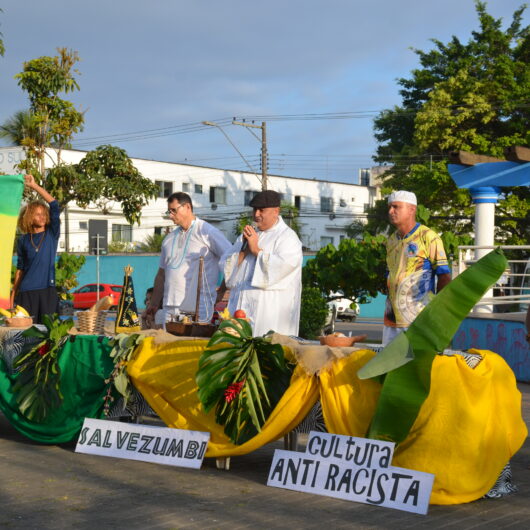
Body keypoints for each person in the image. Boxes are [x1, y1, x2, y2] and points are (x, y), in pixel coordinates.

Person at [222, 189, 303, 336]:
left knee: (263, 350)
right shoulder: (248, 234)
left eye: (261, 210)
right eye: (254, 210)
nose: (256, 214)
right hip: (239, 309)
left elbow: (282, 267)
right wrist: (244, 250)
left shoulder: (288, 238)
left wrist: (256, 250)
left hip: (268, 313)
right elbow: (226, 267)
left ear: (276, 211)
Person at [146, 192, 231, 327]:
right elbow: (162, 274)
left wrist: (222, 290)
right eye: (169, 211)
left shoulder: (207, 232)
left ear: (187, 207)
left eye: (174, 210)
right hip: (170, 306)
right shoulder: (169, 239)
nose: (170, 215)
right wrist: (154, 303)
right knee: (167, 346)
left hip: (199, 306)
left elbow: (231, 260)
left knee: (191, 345)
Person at [383, 190, 451, 345]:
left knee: (414, 366)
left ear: (412, 209)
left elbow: (444, 276)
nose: (390, 211)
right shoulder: (391, 240)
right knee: (389, 365)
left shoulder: (428, 237)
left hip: (417, 319)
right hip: (391, 318)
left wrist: (439, 312)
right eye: (389, 207)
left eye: (396, 207)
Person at [11, 175, 60, 324]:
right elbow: (20, 269)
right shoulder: (24, 240)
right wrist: (13, 295)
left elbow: (54, 204)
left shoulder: (52, 234)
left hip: (47, 291)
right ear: (30, 217)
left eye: (44, 214)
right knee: (27, 335)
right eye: (38, 214)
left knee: (49, 333)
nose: (42, 217)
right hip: (26, 292)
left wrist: (34, 186)